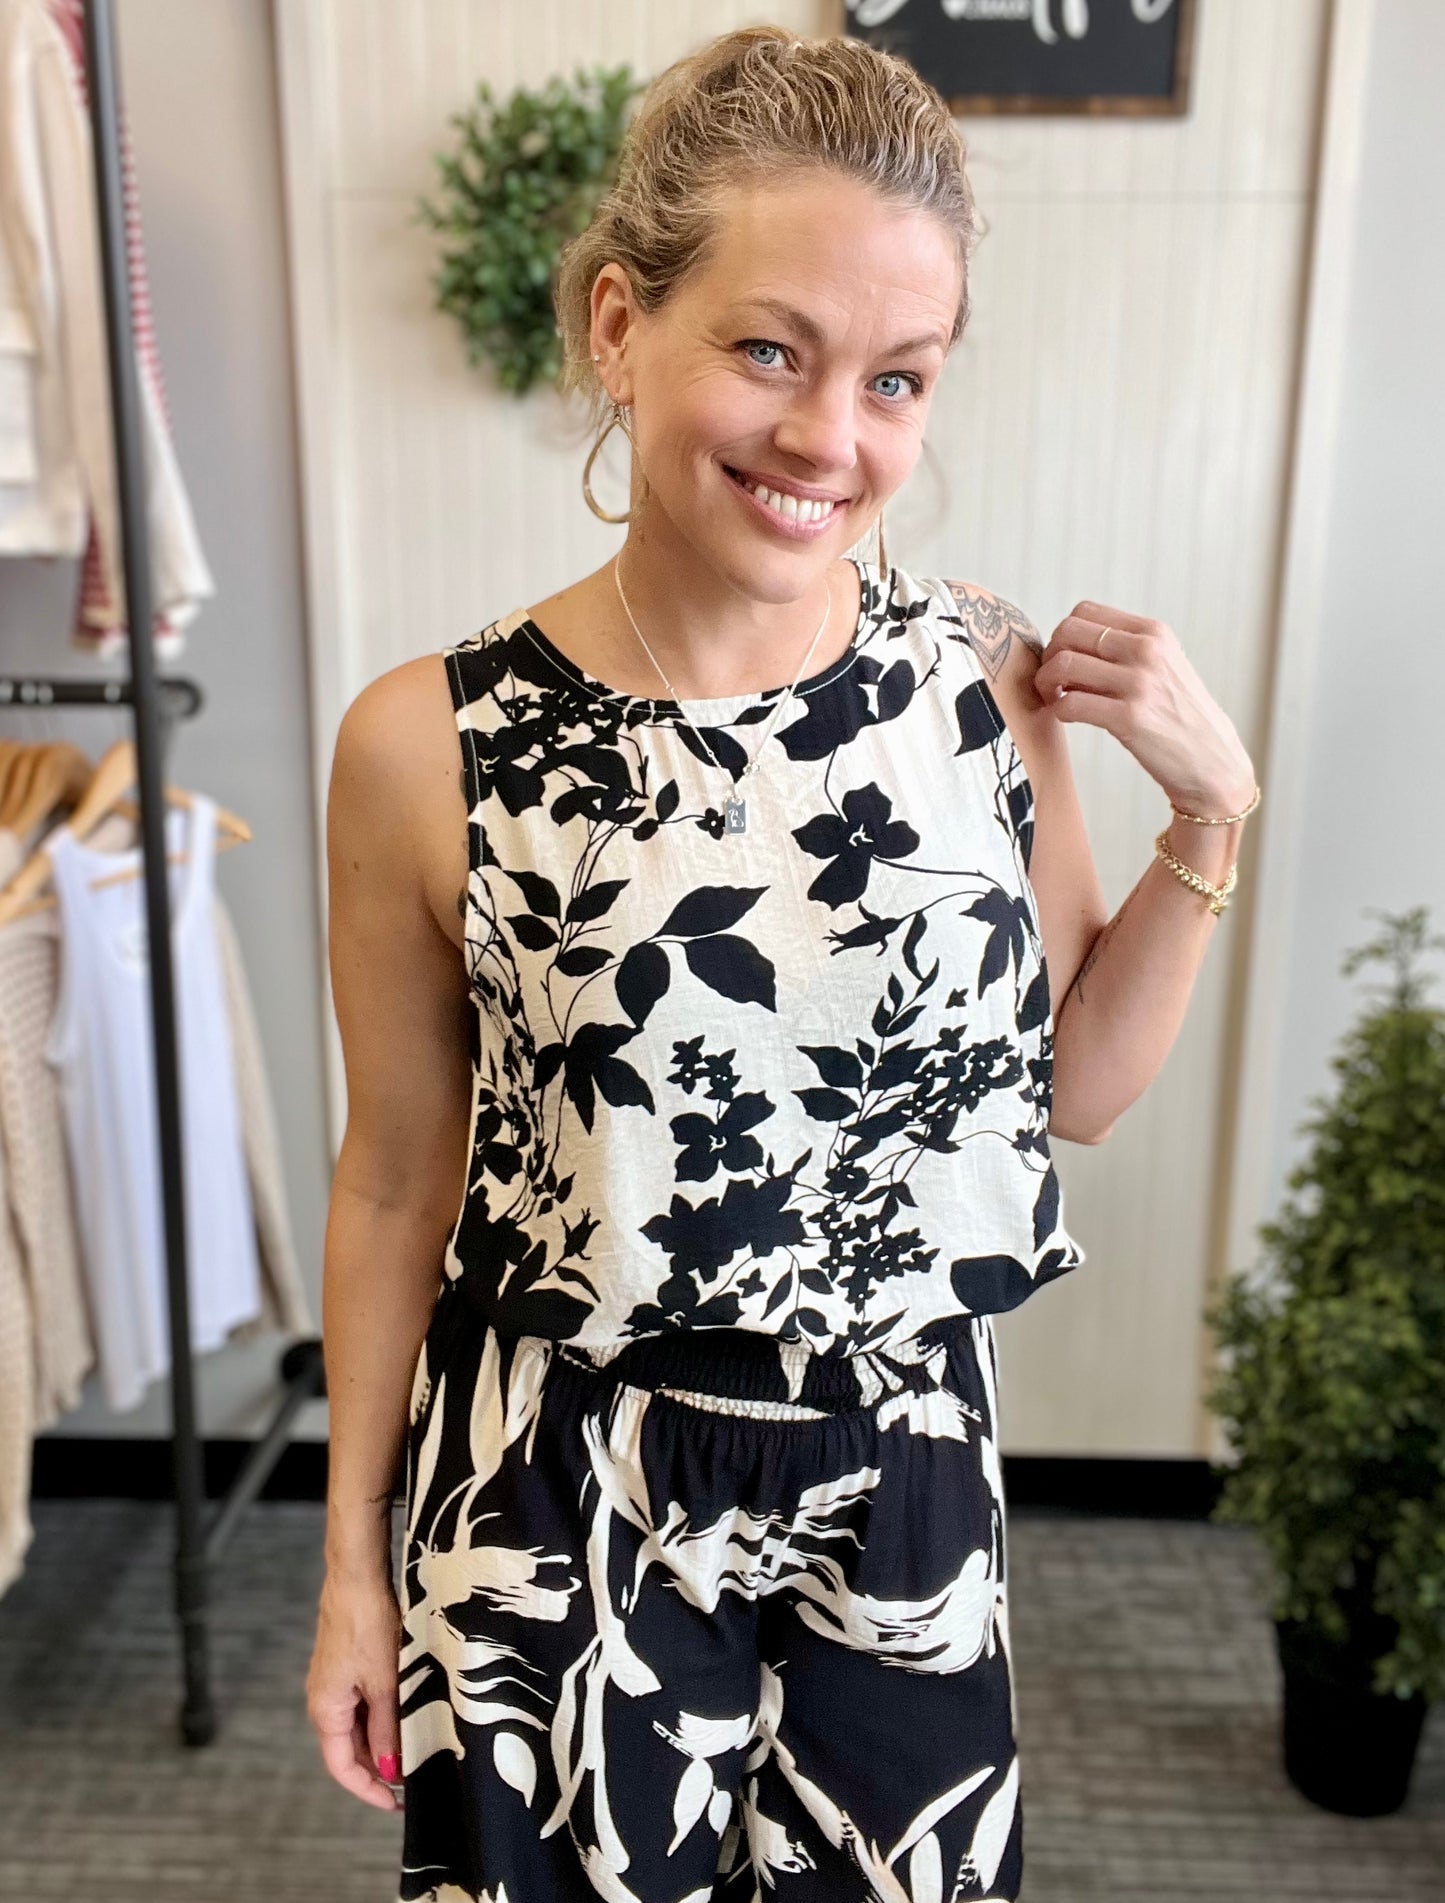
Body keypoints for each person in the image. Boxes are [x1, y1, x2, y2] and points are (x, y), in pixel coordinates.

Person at [306, 25, 1260, 1902]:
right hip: (545, 1484)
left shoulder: (978, 683)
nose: (831, 440)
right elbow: (396, 1177)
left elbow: (1062, 1088)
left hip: (897, 1471)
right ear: (613, 327)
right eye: (767, 348)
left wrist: (1205, 829)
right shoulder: (427, 741)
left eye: (893, 379)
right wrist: (350, 1564)